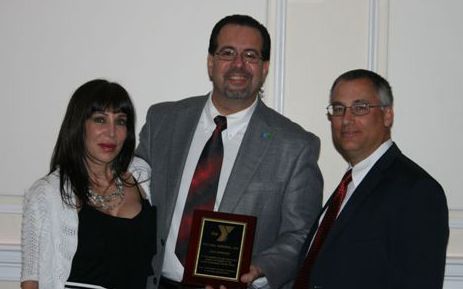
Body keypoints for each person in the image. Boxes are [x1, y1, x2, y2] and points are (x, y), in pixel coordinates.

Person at [136, 14, 323, 289]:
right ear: (210, 63)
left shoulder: (294, 146)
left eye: (250, 55)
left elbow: (302, 233)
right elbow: (134, 187)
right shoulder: (163, 121)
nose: (239, 64)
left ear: (264, 67)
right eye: (227, 53)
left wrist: (260, 269)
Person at [293, 69, 449, 289]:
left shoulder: (417, 191)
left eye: (360, 107)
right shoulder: (347, 187)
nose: (346, 119)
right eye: (338, 109)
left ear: (387, 115)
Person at [21, 79, 155, 289]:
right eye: (100, 120)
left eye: (120, 121)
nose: (111, 132)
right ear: (78, 125)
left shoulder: (144, 176)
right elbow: (31, 280)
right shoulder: (45, 194)